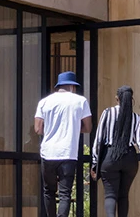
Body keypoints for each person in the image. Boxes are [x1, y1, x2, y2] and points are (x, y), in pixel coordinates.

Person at [90, 85, 140, 217]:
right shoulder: (136, 118)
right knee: (123, 196)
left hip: (110, 157)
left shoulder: (107, 113)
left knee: (110, 195)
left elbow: (99, 139)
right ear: (131, 99)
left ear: (117, 98)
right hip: (129, 158)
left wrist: (94, 162)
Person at [33, 71, 91, 217]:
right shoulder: (81, 101)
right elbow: (88, 127)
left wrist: (52, 129)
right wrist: (74, 129)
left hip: (48, 153)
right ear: (72, 86)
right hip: (68, 153)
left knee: (49, 191)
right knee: (65, 193)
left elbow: (38, 129)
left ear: (59, 86)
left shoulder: (44, 102)